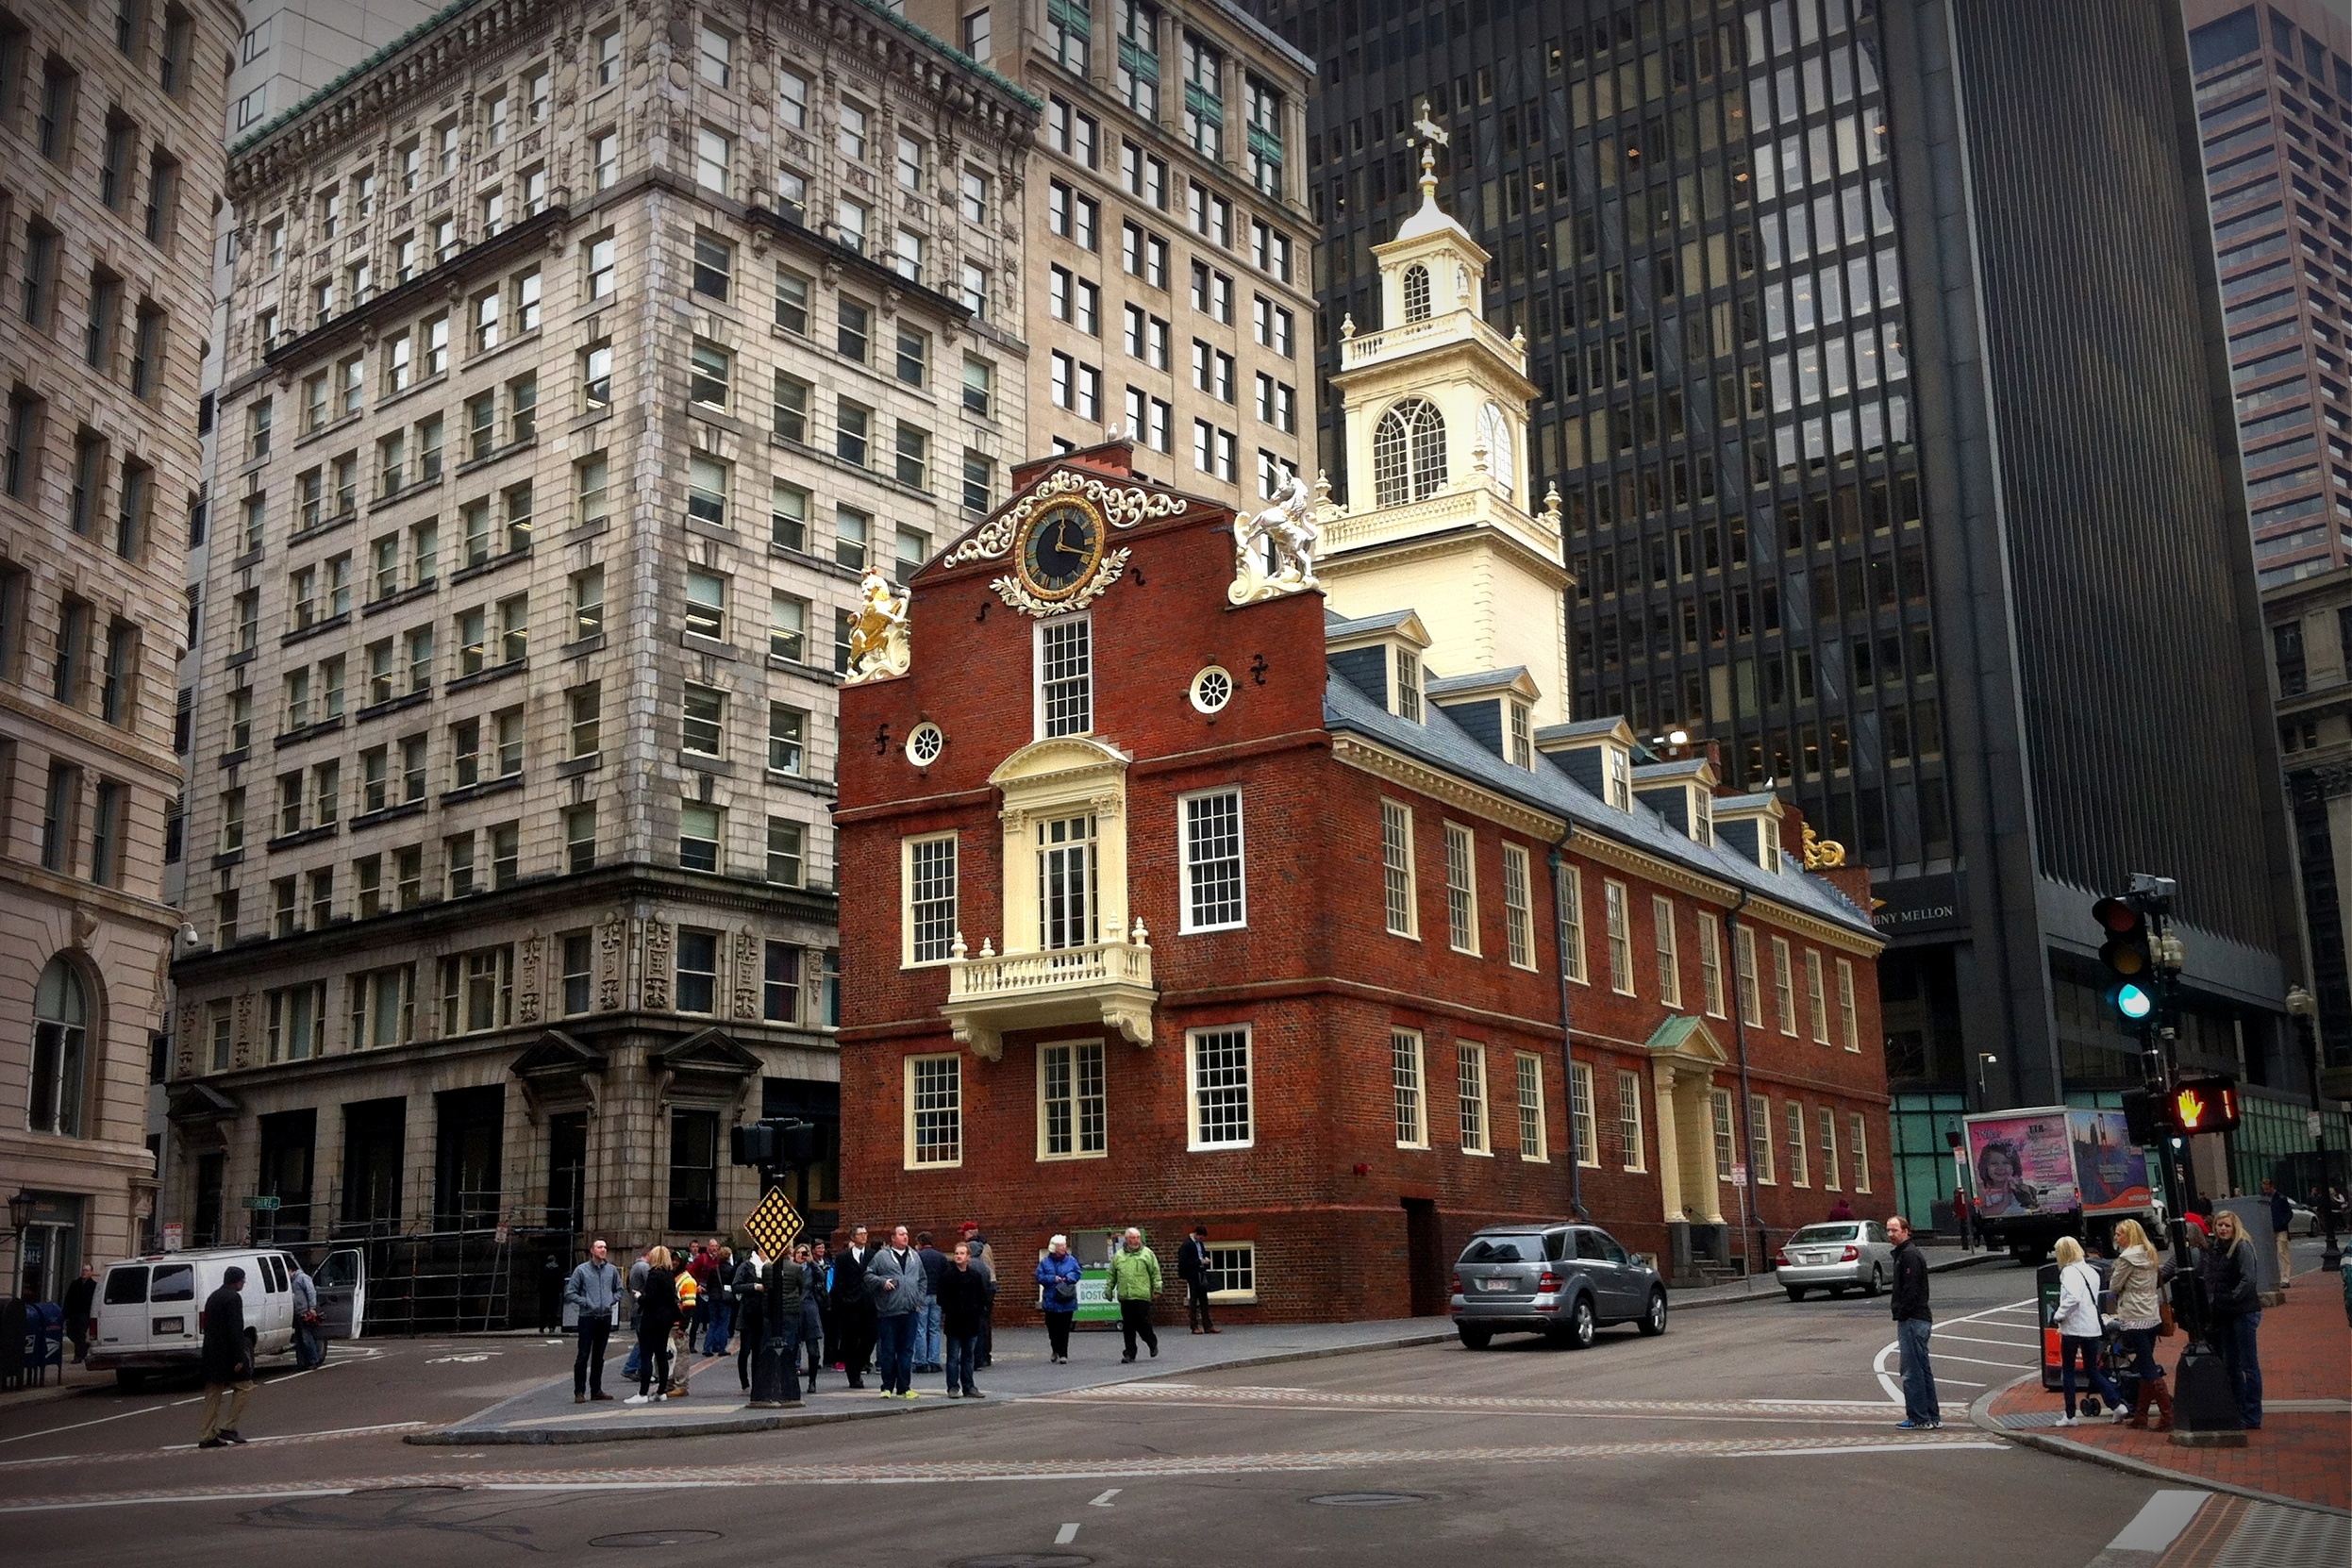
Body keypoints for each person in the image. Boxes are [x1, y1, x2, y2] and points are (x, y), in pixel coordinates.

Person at [2200, 1209, 2263, 1429]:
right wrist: (2215, 1302)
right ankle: (2236, 1408)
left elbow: (2249, 1279)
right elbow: (2211, 1279)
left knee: (2249, 1364)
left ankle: (2252, 1415)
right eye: (2220, 1225)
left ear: (2235, 1226)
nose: (2223, 1229)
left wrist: (2232, 1298)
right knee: (2230, 1363)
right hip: (2224, 1313)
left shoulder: (2242, 1247)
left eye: (2227, 1225)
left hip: (2244, 1311)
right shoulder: (2215, 1250)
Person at [2107, 1219, 2173, 1432]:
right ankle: (2141, 1415)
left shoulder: (2127, 1259)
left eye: (2119, 1234)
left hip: (2134, 1316)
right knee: (2146, 1364)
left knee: (2148, 1367)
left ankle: (2168, 1415)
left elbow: (2114, 1286)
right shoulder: (2150, 1253)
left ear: (2129, 1236)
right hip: (2151, 1314)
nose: (2116, 1238)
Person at [2051, 1236, 2123, 1425]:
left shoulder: (2068, 1271)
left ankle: (2070, 1415)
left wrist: (2058, 1315)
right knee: (2092, 1370)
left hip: (2073, 1328)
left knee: (2068, 1371)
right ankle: (2117, 1404)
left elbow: (2073, 1298)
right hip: (2092, 1327)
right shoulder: (2091, 1271)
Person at [864, 1225, 929, 1398]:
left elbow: (922, 1279)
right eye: (901, 1234)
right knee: (888, 1350)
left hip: (910, 1310)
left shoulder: (914, 1256)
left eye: (907, 1234)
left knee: (906, 1350)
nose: (905, 1237)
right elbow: (868, 1276)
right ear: (893, 1238)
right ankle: (886, 1387)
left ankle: (904, 1387)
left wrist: (919, 1299)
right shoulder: (882, 1256)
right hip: (888, 1311)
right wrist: (882, 1282)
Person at [1886, 1215, 1939, 1429]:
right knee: (1922, 1368)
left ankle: (1919, 1418)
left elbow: (1912, 1291)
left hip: (1913, 1319)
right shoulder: (1906, 1254)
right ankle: (1931, 1416)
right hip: (1917, 1318)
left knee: (1911, 1371)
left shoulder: (1909, 1256)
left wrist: (1901, 1311)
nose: (1891, 1234)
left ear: (1907, 1231)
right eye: (1888, 1230)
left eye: (1895, 1230)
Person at [196, 1266, 255, 1448]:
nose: (243, 1283)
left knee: (213, 1394)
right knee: (245, 1387)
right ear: (236, 1281)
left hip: (211, 1352)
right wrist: (239, 1357)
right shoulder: (233, 1298)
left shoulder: (213, 1297)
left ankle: (207, 1434)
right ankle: (229, 1426)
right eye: (242, 1280)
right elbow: (235, 1330)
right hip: (228, 1353)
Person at [568, 1239, 623, 1404]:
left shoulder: (612, 1270)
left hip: (604, 1317)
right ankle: (579, 1391)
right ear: (592, 1250)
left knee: (599, 1356)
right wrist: (586, 1302)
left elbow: (619, 1290)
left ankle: (596, 1390)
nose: (603, 1250)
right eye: (600, 1247)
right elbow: (570, 1292)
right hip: (587, 1318)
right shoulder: (581, 1270)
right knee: (583, 1355)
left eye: (605, 1247)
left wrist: (610, 1301)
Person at [627, 1246, 679, 1405]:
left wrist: (639, 1297)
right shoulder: (669, 1275)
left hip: (651, 1319)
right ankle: (661, 1391)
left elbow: (649, 1299)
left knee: (646, 1355)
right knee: (661, 1355)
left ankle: (643, 1393)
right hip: (665, 1320)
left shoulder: (654, 1274)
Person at [940, 1242, 990, 1398]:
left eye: (962, 1253)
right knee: (953, 1357)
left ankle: (969, 1386)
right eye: (956, 1253)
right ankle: (953, 1387)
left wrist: (977, 1310)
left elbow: (984, 1296)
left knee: (969, 1356)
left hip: (971, 1321)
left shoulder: (975, 1276)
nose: (958, 1256)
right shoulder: (947, 1276)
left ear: (968, 1257)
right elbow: (941, 1298)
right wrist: (951, 1309)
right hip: (954, 1321)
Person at [1109, 1226, 1162, 1363]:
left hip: (1141, 1294)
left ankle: (1151, 1342)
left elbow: (1155, 1273)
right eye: (1132, 1238)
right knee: (1128, 1326)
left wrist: (1157, 1288)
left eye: (1137, 1237)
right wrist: (1108, 1290)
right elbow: (1112, 1275)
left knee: (1142, 1322)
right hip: (1126, 1295)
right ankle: (1129, 1353)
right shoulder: (1119, 1256)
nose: (1136, 1241)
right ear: (1126, 1240)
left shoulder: (1147, 1254)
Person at [832, 1226, 874, 1389]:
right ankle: (853, 1375)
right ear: (853, 1237)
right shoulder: (843, 1257)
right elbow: (838, 1282)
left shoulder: (872, 1255)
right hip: (850, 1304)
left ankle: (859, 1364)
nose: (864, 1236)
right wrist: (842, 1300)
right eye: (861, 1234)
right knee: (850, 1340)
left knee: (870, 1337)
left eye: (865, 1233)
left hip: (869, 1303)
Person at [1037, 1235, 1082, 1363]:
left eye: (1064, 1245)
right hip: (1051, 1299)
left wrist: (1068, 1277)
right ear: (1054, 1248)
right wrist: (1052, 1278)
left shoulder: (1071, 1260)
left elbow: (1078, 1272)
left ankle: (1063, 1354)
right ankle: (1055, 1348)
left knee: (1064, 1328)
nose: (1063, 1248)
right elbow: (1039, 1276)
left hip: (1067, 1299)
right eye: (1061, 1246)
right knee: (1052, 1328)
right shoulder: (1045, 1262)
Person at [961, 1222, 998, 1367]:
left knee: (977, 1323)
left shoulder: (973, 1249)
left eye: (964, 1233)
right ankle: (985, 1354)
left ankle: (978, 1355)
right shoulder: (987, 1245)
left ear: (970, 1233)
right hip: (991, 1284)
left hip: (981, 1287)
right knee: (986, 1323)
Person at [731, 1247, 766, 1393]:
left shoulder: (770, 1267)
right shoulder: (746, 1266)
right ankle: (745, 1383)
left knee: (759, 1350)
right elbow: (736, 1286)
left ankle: (758, 1383)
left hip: (763, 1313)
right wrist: (755, 1287)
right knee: (745, 1350)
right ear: (758, 1251)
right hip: (748, 1313)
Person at [914, 1231, 949, 1373]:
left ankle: (921, 1362)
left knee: (921, 1328)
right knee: (934, 1329)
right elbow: (946, 1276)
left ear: (920, 1242)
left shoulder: (917, 1257)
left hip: (922, 1294)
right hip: (937, 1295)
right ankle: (934, 1361)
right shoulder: (940, 1257)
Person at [1176, 1225, 1218, 1334]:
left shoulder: (1200, 1244)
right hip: (1192, 1275)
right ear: (1196, 1234)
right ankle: (1194, 1326)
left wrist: (1205, 1261)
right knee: (1194, 1301)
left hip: (1201, 1273)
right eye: (1200, 1238)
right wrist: (1200, 1261)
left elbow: (1201, 1255)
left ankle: (1207, 1326)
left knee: (1204, 1300)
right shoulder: (1187, 1245)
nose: (1201, 1240)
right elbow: (1183, 1262)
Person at [669, 1258, 700, 1397]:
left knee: (680, 1355)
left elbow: (689, 1306)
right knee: (672, 1356)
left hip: (679, 1324)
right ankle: (672, 1383)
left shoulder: (687, 1281)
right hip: (673, 1323)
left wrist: (683, 1326)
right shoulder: (676, 1277)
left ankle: (681, 1385)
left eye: (676, 1260)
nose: (673, 1263)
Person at [621, 1245, 653, 1382]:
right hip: (642, 1308)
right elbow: (651, 1285)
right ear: (649, 1254)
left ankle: (639, 1368)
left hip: (637, 1306)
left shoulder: (635, 1267)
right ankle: (630, 1367)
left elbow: (629, 1286)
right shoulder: (645, 1268)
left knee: (643, 1340)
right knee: (644, 1340)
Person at [796, 1243, 826, 1391]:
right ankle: (792, 1379)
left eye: (805, 1253)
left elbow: (821, 1276)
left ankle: (812, 1381)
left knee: (813, 1351)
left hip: (809, 1310)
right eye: (800, 1253)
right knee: (793, 1347)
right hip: (794, 1310)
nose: (803, 1256)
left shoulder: (811, 1269)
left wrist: (812, 1262)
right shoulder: (791, 1268)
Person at [289, 1260, 323, 1370]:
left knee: (306, 1338)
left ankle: (313, 1360)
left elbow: (311, 1292)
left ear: (290, 1270)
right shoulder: (295, 1280)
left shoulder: (302, 1278)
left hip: (304, 1312)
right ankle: (303, 1363)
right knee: (300, 1339)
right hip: (299, 1312)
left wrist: (312, 1308)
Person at [60, 1264, 95, 1365]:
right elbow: (68, 1298)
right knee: (70, 1332)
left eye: (87, 1270)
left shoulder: (93, 1286)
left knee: (80, 1334)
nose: (84, 1272)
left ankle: (78, 1356)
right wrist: (65, 1313)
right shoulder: (75, 1284)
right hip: (73, 1313)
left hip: (84, 1314)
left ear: (91, 1272)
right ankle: (83, 1346)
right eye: (83, 1270)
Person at [704, 1243, 735, 1356]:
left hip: (713, 1297)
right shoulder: (731, 1270)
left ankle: (707, 1347)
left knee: (713, 1323)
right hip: (725, 1298)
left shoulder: (714, 1269)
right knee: (723, 1323)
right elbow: (733, 1284)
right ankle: (721, 1347)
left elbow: (709, 1284)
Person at [2261, 1180, 2294, 1285]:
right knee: (2273, 1254)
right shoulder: (2264, 1198)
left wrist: (2283, 1223)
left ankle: (2285, 1278)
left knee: (2282, 1253)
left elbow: (2289, 1213)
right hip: (2269, 1229)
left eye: (2267, 1188)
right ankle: (2277, 1278)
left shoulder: (2281, 1198)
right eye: (2264, 1189)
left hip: (2280, 1229)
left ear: (2272, 1187)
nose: (2266, 1191)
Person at [811, 1238, 837, 1370]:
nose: (821, 1250)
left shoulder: (829, 1263)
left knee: (830, 1331)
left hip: (827, 1298)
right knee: (815, 1331)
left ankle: (829, 1358)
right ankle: (815, 1358)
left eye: (822, 1247)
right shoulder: (811, 1263)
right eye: (818, 1248)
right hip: (815, 1298)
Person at [537, 1254, 564, 1335]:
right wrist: (560, 1291)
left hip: (544, 1294)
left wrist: (540, 1291)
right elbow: (561, 1282)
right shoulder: (558, 1270)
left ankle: (542, 1327)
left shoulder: (544, 1270)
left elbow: (539, 1282)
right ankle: (552, 1327)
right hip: (554, 1293)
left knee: (543, 1311)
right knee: (553, 1311)